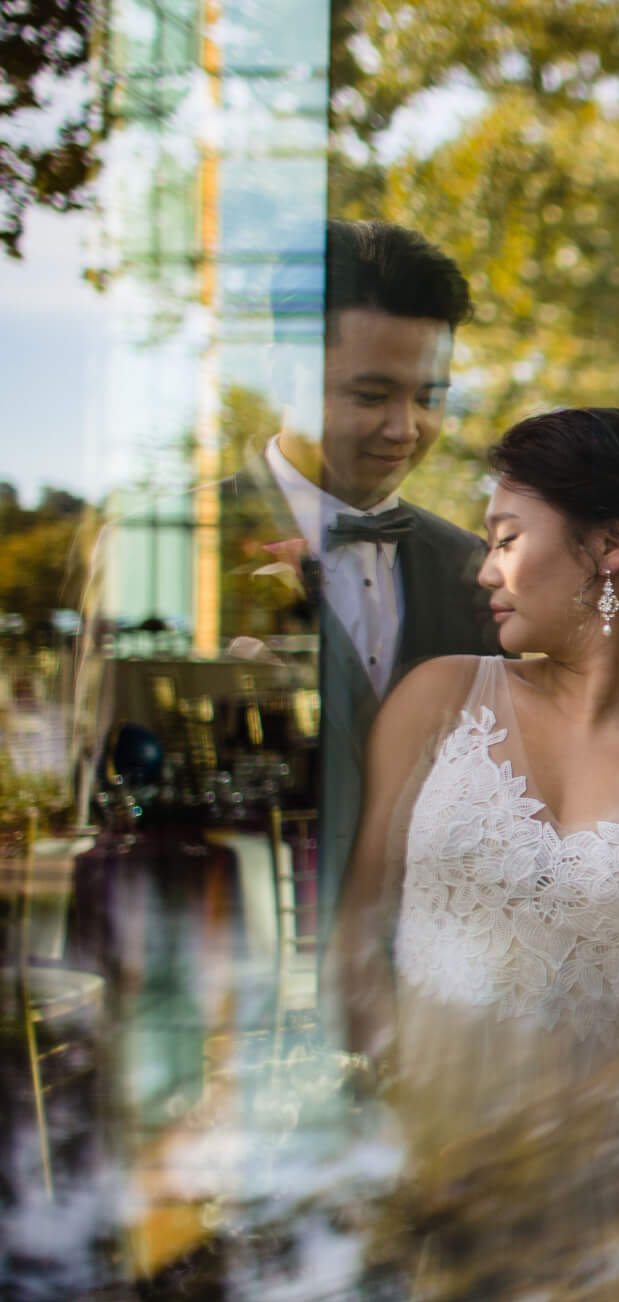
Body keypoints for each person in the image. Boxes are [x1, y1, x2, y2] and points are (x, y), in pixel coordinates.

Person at [328, 407, 619, 1302]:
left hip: (605, 1218)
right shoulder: (437, 699)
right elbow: (355, 939)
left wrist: (519, 1164)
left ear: (610, 544)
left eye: (507, 539)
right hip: (414, 1186)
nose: (484, 571)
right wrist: (412, 1142)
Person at [220, 219, 500, 945]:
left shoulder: (481, 572)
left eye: (429, 396)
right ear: (284, 373)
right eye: (371, 395)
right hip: (241, 971)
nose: (405, 429)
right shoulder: (181, 550)